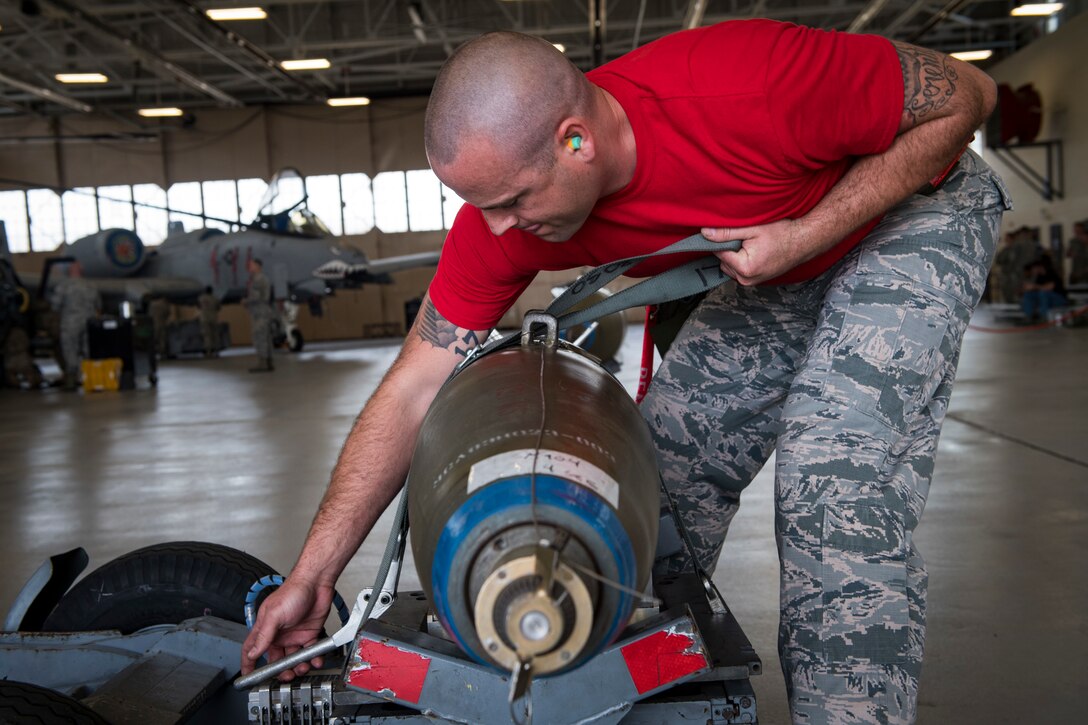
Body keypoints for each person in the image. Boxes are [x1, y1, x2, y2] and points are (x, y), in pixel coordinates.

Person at [243, 22, 1009, 723]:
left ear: (576, 141)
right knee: (652, 473)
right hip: (776, 259)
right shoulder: (507, 220)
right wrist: (311, 575)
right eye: (483, 207)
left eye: (511, 201)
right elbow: (413, 387)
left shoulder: (754, 86)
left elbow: (969, 98)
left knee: (833, 469)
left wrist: (809, 232)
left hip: (916, 209)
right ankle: (626, 700)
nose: (500, 229)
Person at [50, 261, 101, 391]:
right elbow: (99, 305)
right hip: (89, 322)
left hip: (70, 323)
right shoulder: (91, 285)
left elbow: (55, 305)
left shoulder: (64, 286)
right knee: (88, 350)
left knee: (70, 350)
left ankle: (72, 380)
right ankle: (92, 379)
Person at [245, 258, 274, 372]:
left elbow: (256, 297)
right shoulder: (264, 278)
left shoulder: (258, 279)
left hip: (259, 312)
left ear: (257, 266)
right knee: (266, 337)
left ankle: (262, 363)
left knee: (259, 336)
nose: (249, 267)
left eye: (251, 265)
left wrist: (245, 301)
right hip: (264, 311)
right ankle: (268, 362)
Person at [1020, 255, 1067, 322]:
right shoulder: (1039, 277)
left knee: (1043, 292)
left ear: (1039, 267)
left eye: (1033, 268)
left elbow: (1050, 287)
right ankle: (1028, 316)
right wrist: (1026, 289)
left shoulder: (1051, 273)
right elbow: (1035, 288)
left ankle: (1043, 317)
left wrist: (1034, 286)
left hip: (1059, 299)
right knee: (1028, 294)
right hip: (1046, 298)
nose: (1032, 270)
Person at [197, 286, 221, 358]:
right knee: (215, 335)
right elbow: (218, 308)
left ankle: (208, 352)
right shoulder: (215, 298)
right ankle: (216, 351)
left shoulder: (201, 298)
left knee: (207, 335)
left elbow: (199, 306)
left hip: (204, 318)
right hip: (213, 318)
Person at [148, 295, 171, 359]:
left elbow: (149, 314)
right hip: (161, 322)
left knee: (154, 338)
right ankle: (162, 353)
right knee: (162, 338)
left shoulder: (152, 304)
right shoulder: (164, 303)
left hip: (154, 323)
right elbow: (167, 312)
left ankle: (154, 353)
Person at [1067, 220, 1088, 286]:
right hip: (1075, 270)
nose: (1076, 231)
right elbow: (1068, 254)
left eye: (1078, 229)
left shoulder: (1086, 239)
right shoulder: (1072, 241)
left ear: (1082, 230)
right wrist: (1070, 253)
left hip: (1085, 270)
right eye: (1075, 229)